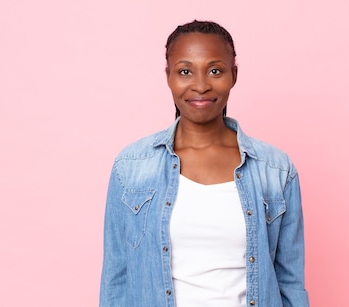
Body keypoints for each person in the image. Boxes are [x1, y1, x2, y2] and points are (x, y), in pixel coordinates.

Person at [100, 20, 309, 307]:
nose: (200, 85)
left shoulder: (274, 169)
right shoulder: (132, 167)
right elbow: (116, 280)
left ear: (233, 75)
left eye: (215, 70)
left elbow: (290, 283)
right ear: (169, 76)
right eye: (185, 71)